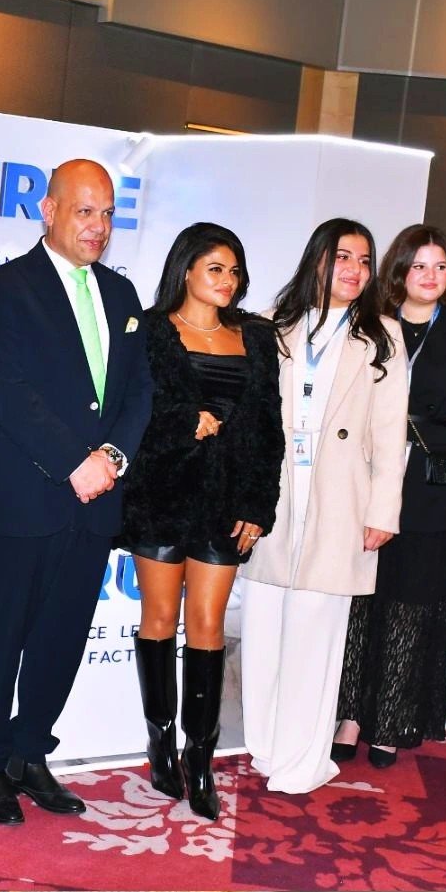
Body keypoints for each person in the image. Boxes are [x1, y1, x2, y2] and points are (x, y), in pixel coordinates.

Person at [0, 158, 153, 826]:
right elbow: (9, 390)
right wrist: (75, 463)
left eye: (107, 214)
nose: (98, 226)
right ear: (48, 211)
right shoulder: (1, 286)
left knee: (63, 637)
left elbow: (139, 392)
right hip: (26, 497)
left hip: (98, 502)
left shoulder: (122, 295)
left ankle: (29, 753)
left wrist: (112, 458)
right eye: (84, 211)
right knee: (5, 636)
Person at [120, 222, 283, 819]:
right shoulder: (150, 330)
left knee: (209, 623)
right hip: (161, 492)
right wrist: (184, 422)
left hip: (224, 499)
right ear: (185, 269)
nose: (227, 280)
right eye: (215, 268)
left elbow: (268, 427)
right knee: (160, 618)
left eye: (234, 271)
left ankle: (201, 755)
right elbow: (134, 410)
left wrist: (258, 506)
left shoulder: (256, 336)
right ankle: (160, 740)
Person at [239, 217, 407, 794]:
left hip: (341, 500)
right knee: (263, 625)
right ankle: (265, 748)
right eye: (343, 257)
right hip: (275, 496)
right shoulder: (271, 325)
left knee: (317, 632)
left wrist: (383, 511)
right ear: (317, 260)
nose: (355, 270)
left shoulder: (383, 335)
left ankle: (303, 760)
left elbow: (390, 433)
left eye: (364, 260)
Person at [334, 226, 446, 766]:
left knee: (411, 604)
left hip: (433, 484)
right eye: (419, 266)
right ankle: (350, 716)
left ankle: (390, 719)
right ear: (400, 271)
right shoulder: (368, 324)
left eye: (440, 267)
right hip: (367, 477)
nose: (430, 276)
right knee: (363, 602)